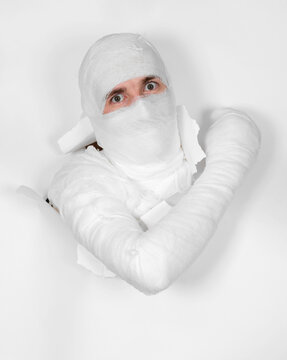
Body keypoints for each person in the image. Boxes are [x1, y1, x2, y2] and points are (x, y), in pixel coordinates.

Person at [47, 33, 261, 295]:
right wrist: (228, 164)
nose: (144, 110)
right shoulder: (81, 182)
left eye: (150, 86)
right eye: (117, 97)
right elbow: (148, 268)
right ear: (95, 116)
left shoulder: (201, 144)